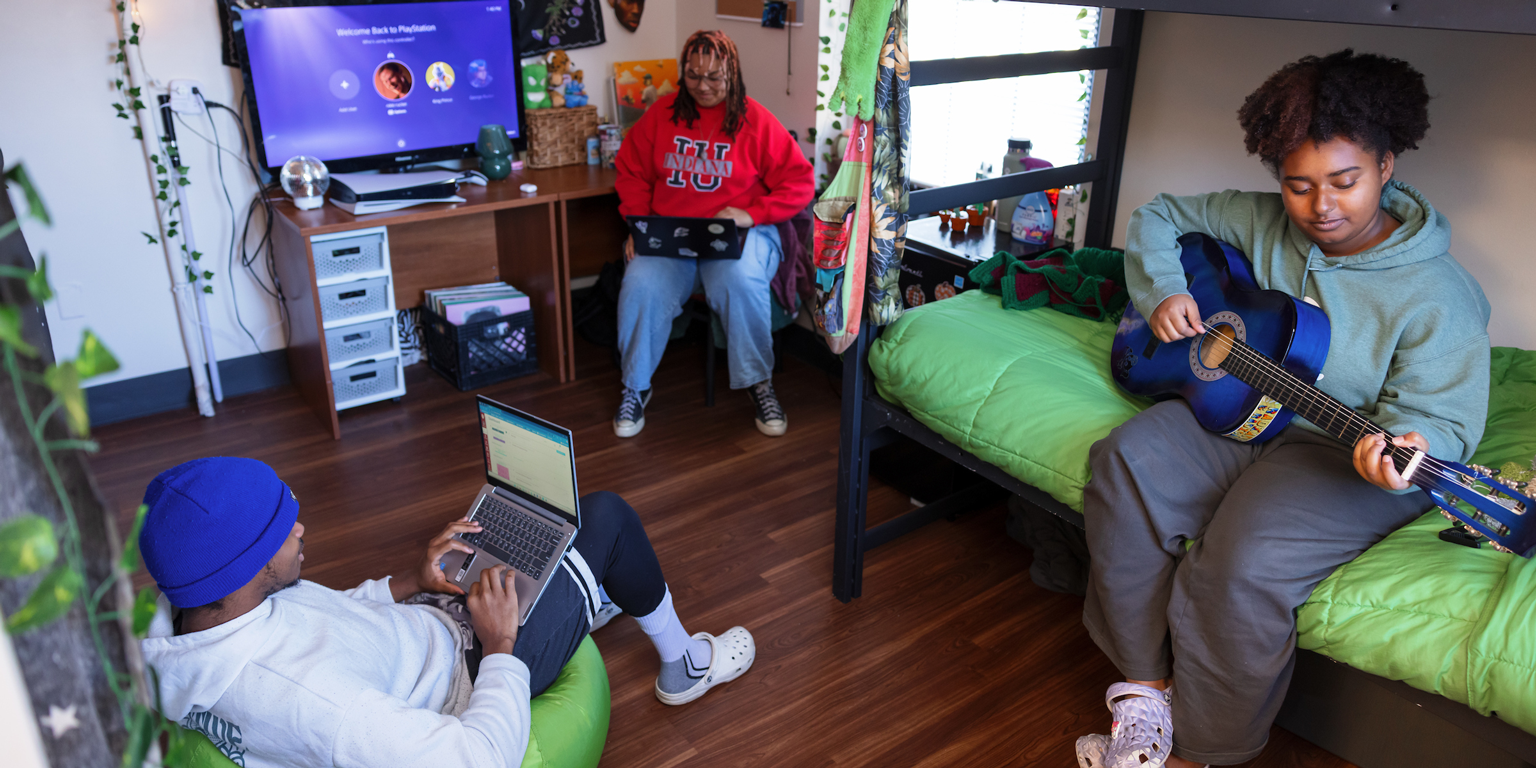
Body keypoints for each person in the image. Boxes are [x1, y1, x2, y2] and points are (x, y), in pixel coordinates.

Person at [1076, 51, 1491, 768]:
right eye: (1299, 186)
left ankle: (1201, 752)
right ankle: (1144, 695)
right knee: (1124, 462)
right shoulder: (1262, 219)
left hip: (1342, 451)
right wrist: (1165, 292)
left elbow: (1446, 421)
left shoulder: (1440, 294)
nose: (1320, 206)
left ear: (1387, 167)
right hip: (1240, 412)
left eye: (1344, 182)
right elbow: (1160, 216)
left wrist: (1409, 449)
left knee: (1241, 565)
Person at [139, 457, 756, 767]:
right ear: (241, 567)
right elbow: (480, 757)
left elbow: (325, 618)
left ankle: (590, 590)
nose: (299, 527)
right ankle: (686, 666)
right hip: (467, 671)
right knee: (606, 517)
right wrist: (501, 646)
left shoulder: (201, 617)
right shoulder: (320, 705)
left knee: (526, 536)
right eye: (278, 527)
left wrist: (414, 580)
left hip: (431, 624)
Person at [612, 30, 814, 439]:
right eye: (693, 75)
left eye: (715, 78)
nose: (703, 86)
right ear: (683, 72)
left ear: (733, 74)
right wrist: (638, 224)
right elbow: (631, 170)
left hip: (742, 234)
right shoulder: (662, 115)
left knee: (738, 280)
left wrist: (753, 213)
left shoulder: (755, 120)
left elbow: (799, 183)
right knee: (640, 282)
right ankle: (635, 387)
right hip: (673, 236)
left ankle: (760, 383)